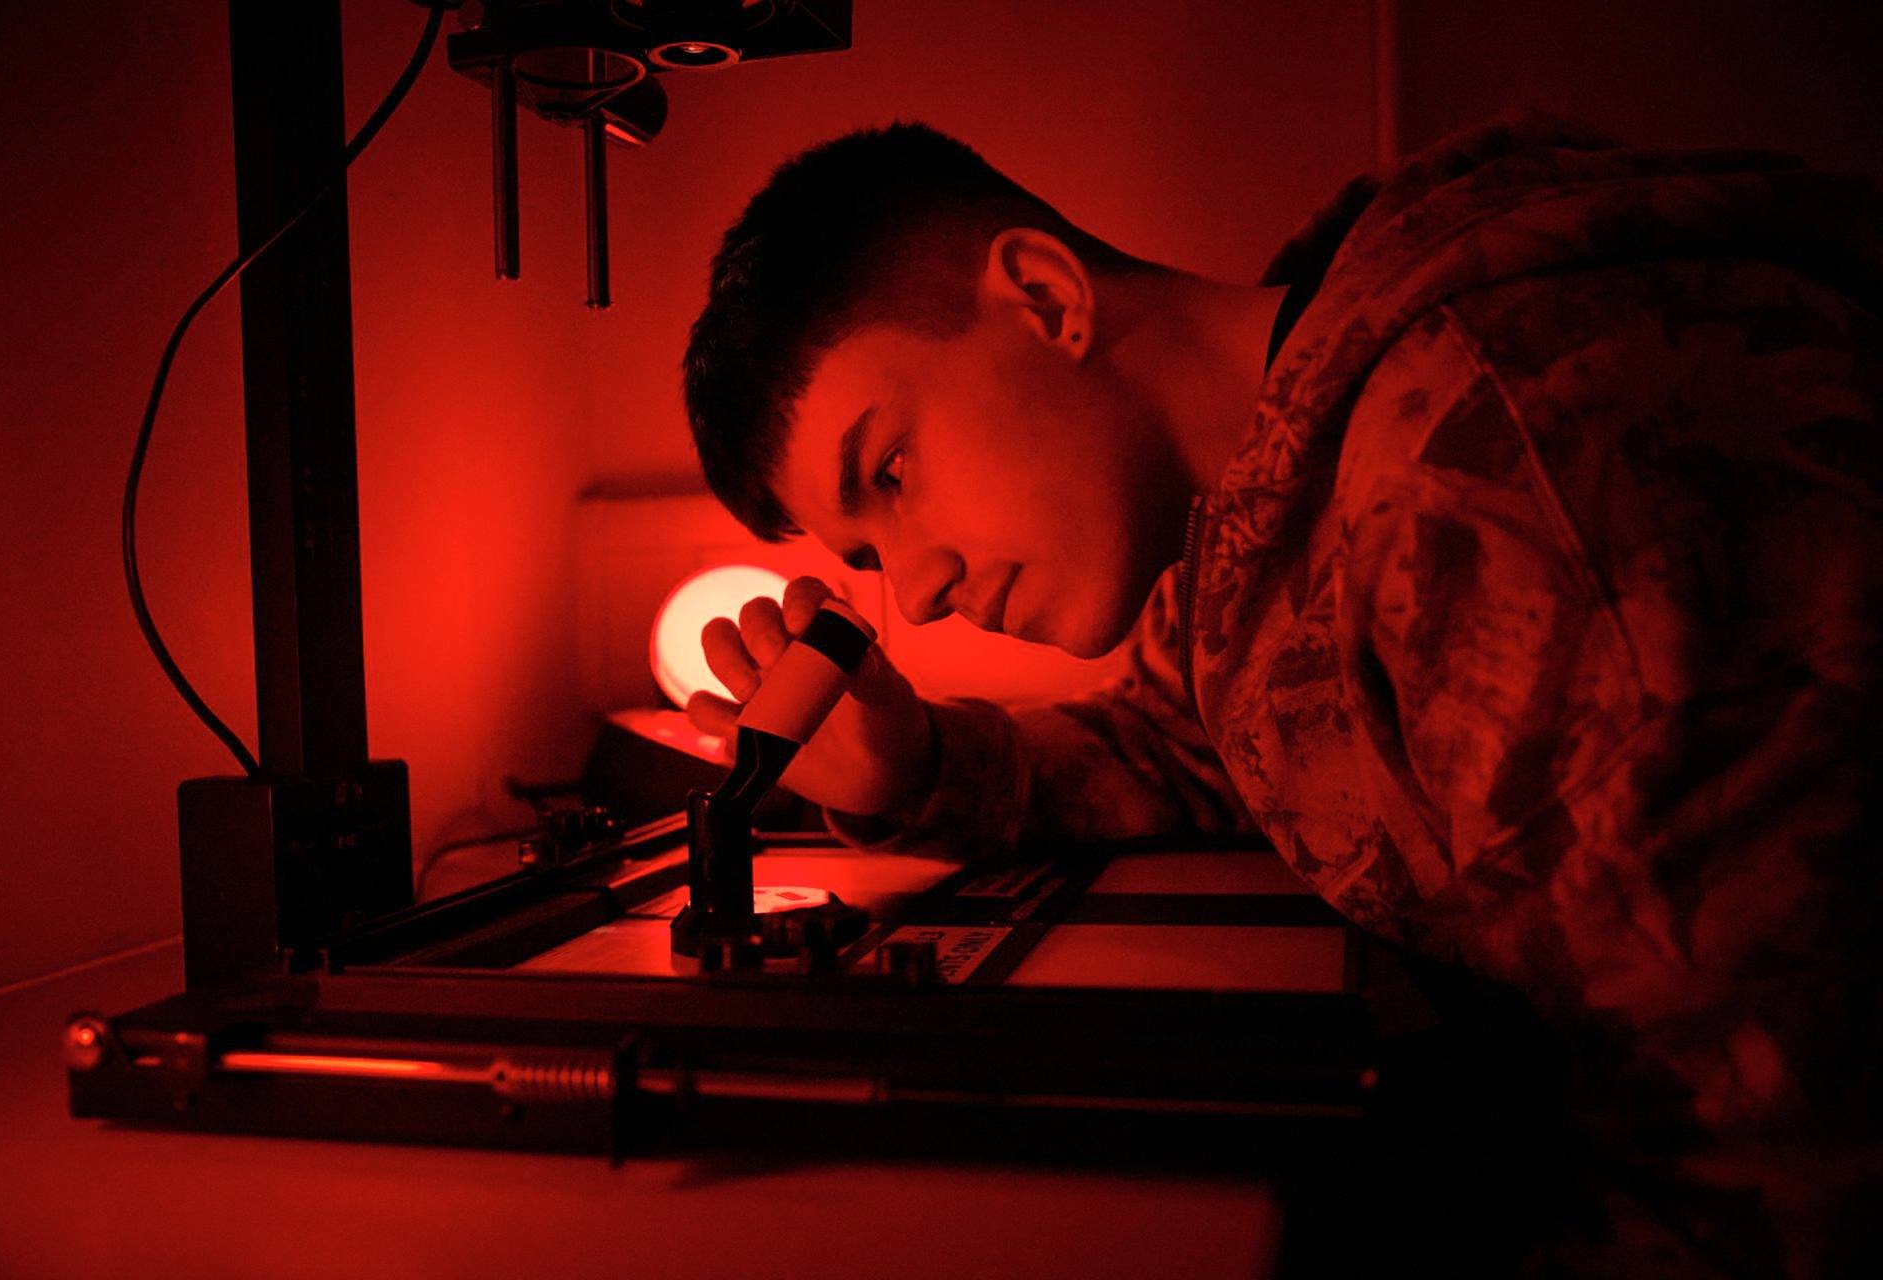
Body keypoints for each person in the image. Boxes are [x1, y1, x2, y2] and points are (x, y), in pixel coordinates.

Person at [680, 112, 1881, 1276]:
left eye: (892, 468)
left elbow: (1775, 1152)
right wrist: (922, 767)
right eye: (870, 559)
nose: (922, 590)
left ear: (1047, 296)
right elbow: (1190, 738)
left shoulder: (1487, 453)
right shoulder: (1264, 493)